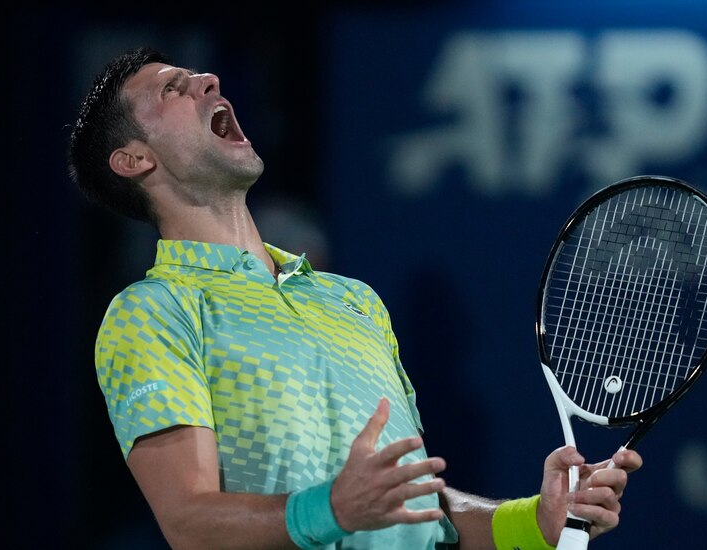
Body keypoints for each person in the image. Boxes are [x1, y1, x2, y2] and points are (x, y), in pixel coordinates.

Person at [68, 46, 642, 550]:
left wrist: (536, 523)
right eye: (173, 87)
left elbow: (418, 513)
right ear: (135, 159)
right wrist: (334, 510)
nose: (209, 81)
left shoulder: (354, 302)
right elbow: (191, 522)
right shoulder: (154, 311)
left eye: (197, 75)